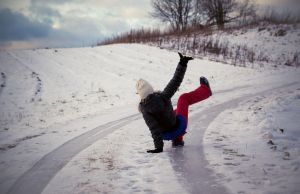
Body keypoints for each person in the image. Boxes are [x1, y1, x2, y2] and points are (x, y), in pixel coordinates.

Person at [136, 53, 212, 153]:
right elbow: (175, 81)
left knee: (174, 111)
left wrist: (158, 147)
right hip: (177, 128)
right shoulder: (163, 97)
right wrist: (182, 63)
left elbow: (153, 129)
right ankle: (205, 90)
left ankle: (177, 141)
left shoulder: (145, 109)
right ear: (151, 90)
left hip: (165, 134)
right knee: (183, 99)